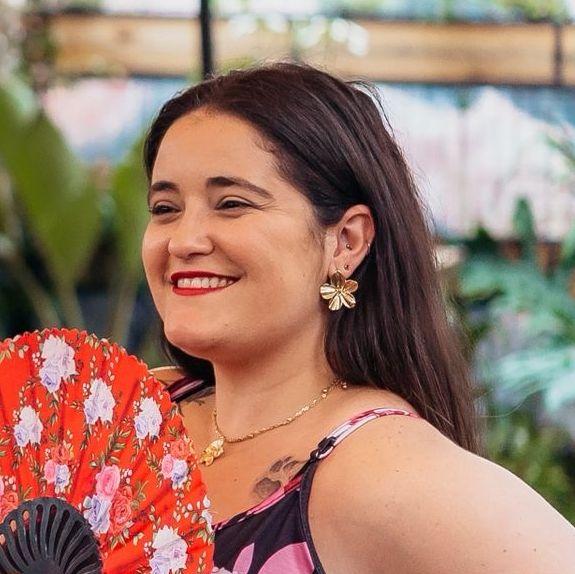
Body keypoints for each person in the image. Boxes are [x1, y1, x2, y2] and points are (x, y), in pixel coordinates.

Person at [142, 63, 575, 573]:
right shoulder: (129, 414)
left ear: (346, 241)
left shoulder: (383, 470)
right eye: (165, 208)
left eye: (232, 204)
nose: (184, 240)